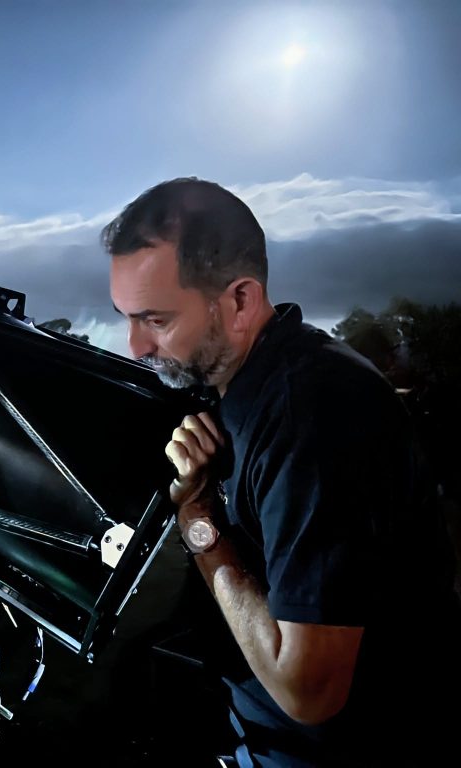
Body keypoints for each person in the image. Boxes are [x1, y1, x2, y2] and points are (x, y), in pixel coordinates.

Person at [102, 178, 461, 766]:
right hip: (256, 729)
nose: (135, 346)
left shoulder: (311, 415)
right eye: (127, 318)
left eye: (156, 320)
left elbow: (309, 691)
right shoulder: (240, 384)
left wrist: (198, 520)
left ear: (241, 302)